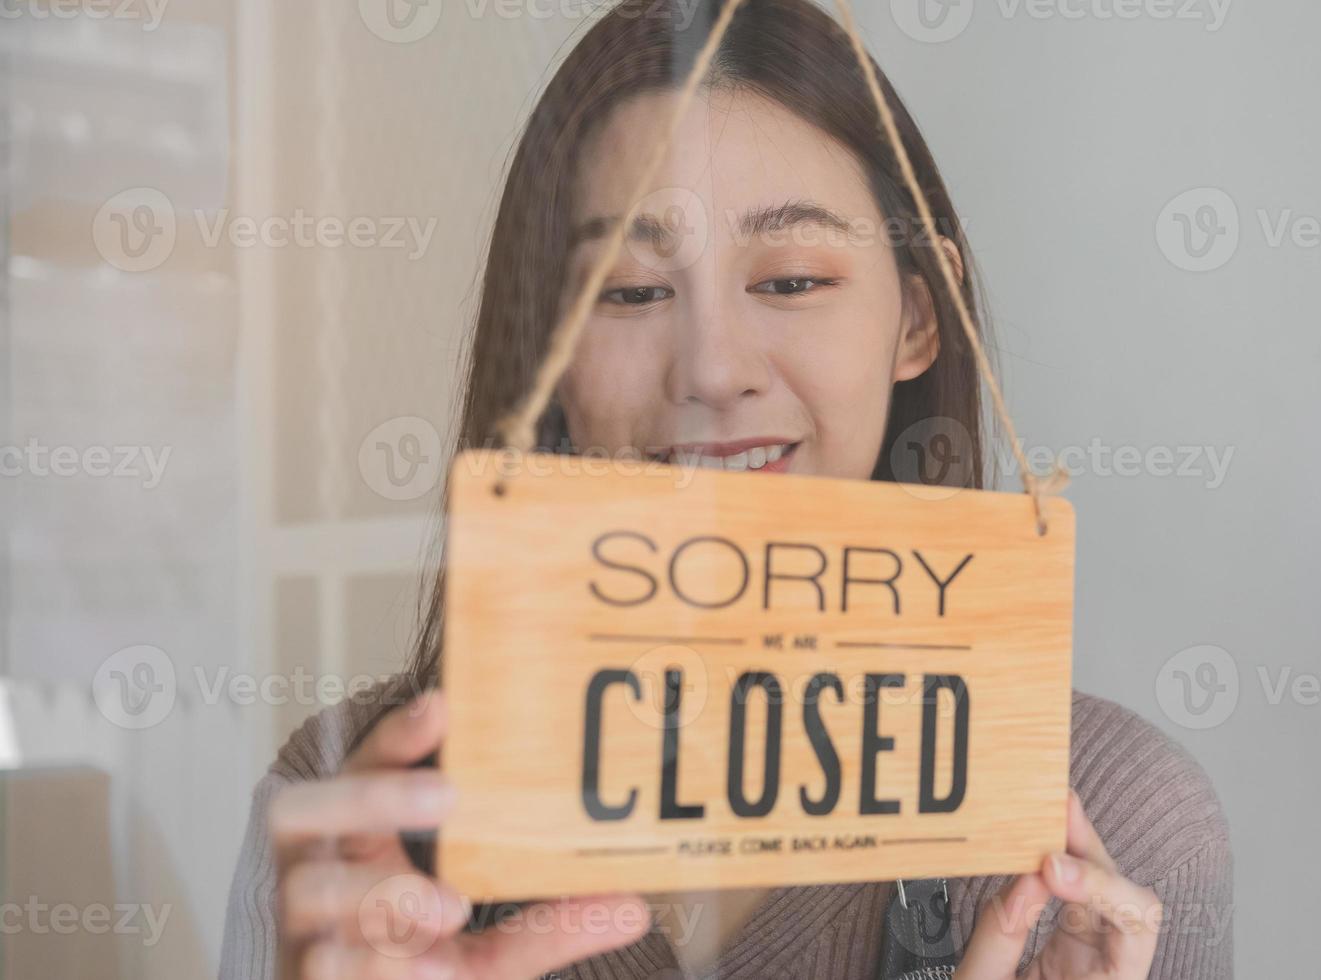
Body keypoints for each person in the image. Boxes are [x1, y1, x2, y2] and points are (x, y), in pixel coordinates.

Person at [221, 1, 1231, 977]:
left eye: (792, 279)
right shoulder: (353, 824)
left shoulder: (1115, 841)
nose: (712, 367)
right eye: (631, 289)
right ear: (549, 354)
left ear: (919, 321)